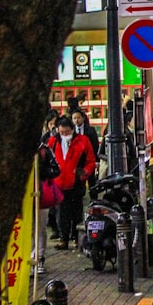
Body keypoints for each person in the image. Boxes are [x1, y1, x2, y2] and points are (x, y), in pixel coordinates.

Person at [48, 115, 96, 250]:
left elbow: (91, 161)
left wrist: (83, 174)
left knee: (76, 212)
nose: (64, 135)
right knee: (62, 213)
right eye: (62, 132)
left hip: (76, 183)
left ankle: (76, 237)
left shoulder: (82, 141)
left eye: (67, 132)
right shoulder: (53, 143)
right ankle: (63, 238)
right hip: (59, 184)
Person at [34, 142, 61, 275]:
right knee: (29, 229)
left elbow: (56, 169)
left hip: (41, 194)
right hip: (25, 196)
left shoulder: (45, 150)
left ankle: (39, 258)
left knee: (40, 227)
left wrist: (41, 172)